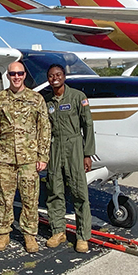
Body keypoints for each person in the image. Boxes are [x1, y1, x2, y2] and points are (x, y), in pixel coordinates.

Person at [0, 61, 51, 253]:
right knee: (4, 198)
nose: (16, 77)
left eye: (20, 73)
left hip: (29, 158)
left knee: (30, 198)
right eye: (13, 74)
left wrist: (43, 156)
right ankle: (3, 233)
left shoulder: (36, 99)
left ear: (24, 75)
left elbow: (44, 129)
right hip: (5, 158)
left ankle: (29, 234)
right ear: (8, 76)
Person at [44, 64, 95, 253]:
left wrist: (87, 153)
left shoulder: (77, 97)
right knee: (54, 190)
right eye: (51, 76)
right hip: (54, 148)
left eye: (58, 74)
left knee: (79, 192)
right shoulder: (46, 100)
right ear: (48, 79)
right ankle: (58, 230)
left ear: (64, 76)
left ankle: (83, 236)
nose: (54, 78)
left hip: (74, 146)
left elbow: (87, 125)